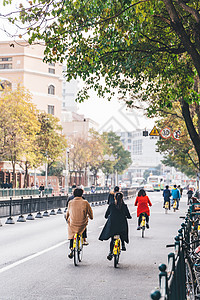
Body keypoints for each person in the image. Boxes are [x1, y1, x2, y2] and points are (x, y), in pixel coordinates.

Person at [99, 191, 132, 260]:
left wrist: (108, 217)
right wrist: (128, 217)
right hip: (122, 224)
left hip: (113, 225)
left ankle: (111, 252)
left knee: (112, 239)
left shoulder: (111, 205)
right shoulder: (124, 206)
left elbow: (106, 215)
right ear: (122, 198)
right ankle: (123, 244)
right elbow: (128, 215)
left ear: (114, 198)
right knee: (122, 233)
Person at [66, 188, 93, 259]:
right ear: (82, 194)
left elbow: (68, 213)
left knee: (71, 230)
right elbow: (90, 212)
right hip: (81, 224)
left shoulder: (70, 202)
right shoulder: (85, 202)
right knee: (84, 223)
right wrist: (91, 217)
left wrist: (66, 218)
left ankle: (71, 247)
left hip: (73, 224)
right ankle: (84, 239)